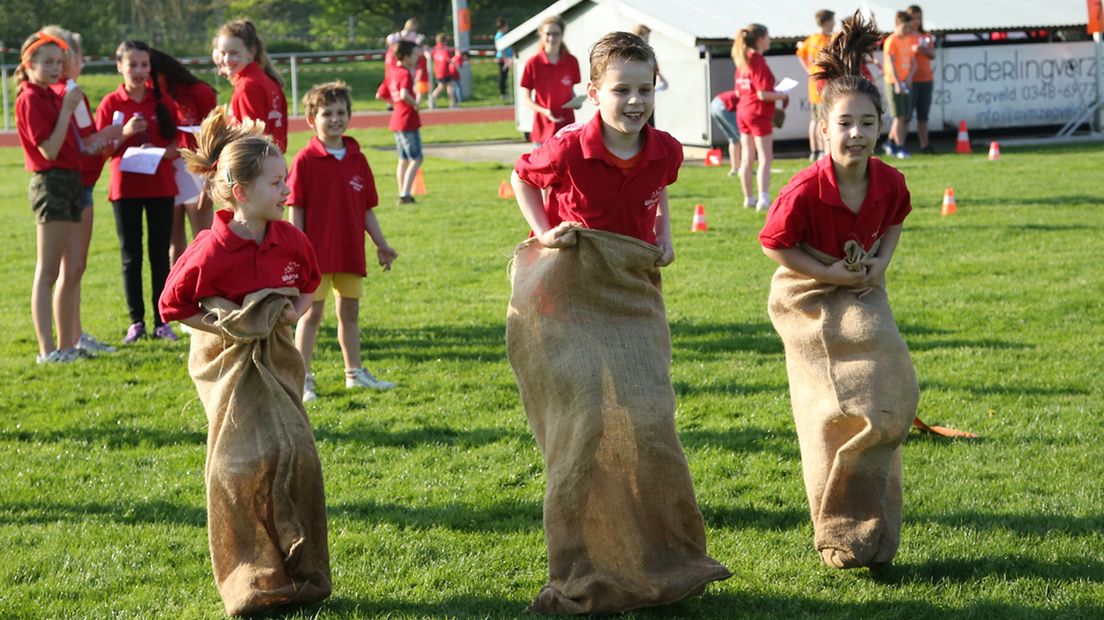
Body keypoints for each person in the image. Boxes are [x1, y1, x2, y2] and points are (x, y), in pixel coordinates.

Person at [508, 31, 731, 614]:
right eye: (621, 90)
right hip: (574, 298)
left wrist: (664, 236)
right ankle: (582, 559)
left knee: (649, 419)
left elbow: (659, 195)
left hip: (633, 295)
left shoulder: (664, 149)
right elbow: (522, 179)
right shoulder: (566, 147)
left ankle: (661, 553)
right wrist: (543, 232)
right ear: (593, 92)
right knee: (586, 426)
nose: (635, 101)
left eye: (644, 88)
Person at [759, 10, 918, 570]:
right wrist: (830, 275)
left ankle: (873, 506)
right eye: (845, 124)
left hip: (861, 284)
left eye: (867, 123)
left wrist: (878, 265)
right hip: (807, 290)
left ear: (881, 127)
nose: (856, 134)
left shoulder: (890, 181)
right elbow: (774, 244)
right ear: (823, 129)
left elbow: (897, 218)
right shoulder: (803, 190)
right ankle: (837, 529)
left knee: (889, 389)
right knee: (827, 410)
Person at [158, 107, 329, 616]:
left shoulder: (291, 239)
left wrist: (282, 316)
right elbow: (172, 306)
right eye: (276, 183)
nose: (286, 191)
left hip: (277, 363)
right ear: (240, 192)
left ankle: (302, 567)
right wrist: (229, 325)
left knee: (293, 454)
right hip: (228, 369)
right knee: (237, 467)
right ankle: (251, 576)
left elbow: (309, 287)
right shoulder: (208, 250)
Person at [288, 81, 399, 402]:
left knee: (349, 314)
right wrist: (297, 251)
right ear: (312, 119)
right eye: (326, 113)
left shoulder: (357, 158)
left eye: (340, 112)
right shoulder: (305, 160)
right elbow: (297, 210)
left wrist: (381, 244)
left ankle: (354, 374)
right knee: (310, 316)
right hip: (315, 256)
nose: (334, 119)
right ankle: (302, 379)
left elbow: (366, 210)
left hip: (350, 254)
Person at [42, 25, 121, 356]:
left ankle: (73, 335)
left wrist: (108, 138)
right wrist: (118, 133)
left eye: (72, 55)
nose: (76, 61)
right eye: (72, 55)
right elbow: (83, 143)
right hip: (72, 185)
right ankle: (65, 342)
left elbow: (85, 142)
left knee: (75, 267)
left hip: (79, 184)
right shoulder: (64, 94)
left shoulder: (73, 93)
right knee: (68, 268)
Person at [95, 40, 180, 343]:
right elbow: (101, 149)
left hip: (160, 186)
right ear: (119, 66)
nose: (139, 70)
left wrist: (157, 150)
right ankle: (137, 321)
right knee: (131, 256)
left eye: (144, 64)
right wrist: (125, 134)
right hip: (125, 189)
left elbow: (178, 146)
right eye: (132, 64)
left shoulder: (162, 101)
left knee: (160, 255)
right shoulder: (110, 103)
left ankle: (162, 321)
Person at [15, 31, 86, 363]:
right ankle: (47, 350)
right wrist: (67, 109)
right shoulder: (30, 98)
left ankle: (68, 345)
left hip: (69, 181)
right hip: (51, 182)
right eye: (47, 62)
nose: (56, 68)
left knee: (70, 269)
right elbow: (50, 148)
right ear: (29, 65)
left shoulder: (51, 94)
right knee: (48, 272)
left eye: (59, 62)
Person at [150, 49, 218, 266]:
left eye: (149, 72)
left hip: (197, 169)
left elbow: (215, 135)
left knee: (204, 237)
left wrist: (210, 176)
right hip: (168, 173)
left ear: (162, 71)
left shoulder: (199, 91)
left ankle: (208, 292)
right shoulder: (152, 94)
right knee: (174, 243)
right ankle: (178, 293)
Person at [734, 24, 789, 211]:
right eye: (768, 36)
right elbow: (763, 94)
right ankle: (764, 199)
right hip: (757, 112)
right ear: (760, 40)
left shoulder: (742, 60)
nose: (770, 40)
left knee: (747, 158)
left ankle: (748, 198)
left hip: (743, 110)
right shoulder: (757, 61)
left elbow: (738, 90)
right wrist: (781, 95)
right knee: (765, 157)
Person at [214, 19, 288, 152]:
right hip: (271, 162)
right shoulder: (268, 80)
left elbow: (253, 141)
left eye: (234, 53)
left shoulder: (247, 86)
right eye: (223, 53)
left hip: (255, 167)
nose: (226, 59)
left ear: (251, 52)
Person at [519, 15, 580, 146]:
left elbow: (571, 92)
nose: (552, 38)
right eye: (548, 34)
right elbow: (526, 99)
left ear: (562, 34)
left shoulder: (571, 61)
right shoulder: (533, 63)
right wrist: (545, 111)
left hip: (567, 128)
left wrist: (576, 102)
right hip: (543, 130)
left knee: (568, 166)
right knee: (543, 167)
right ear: (541, 34)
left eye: (556, 34)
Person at [386, 40, 423, 204]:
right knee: (416, 158)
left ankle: (402, 190)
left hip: (396, 119)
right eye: (415, 54)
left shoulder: (392, 71)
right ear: (406, 56)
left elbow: (381, 94)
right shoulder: (405, 73)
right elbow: (403, 94)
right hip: (407, 119)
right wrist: (416, 103)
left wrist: (395, 104)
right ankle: (405, 194)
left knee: (403, 158)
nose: (417, 57)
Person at [796, 9, 835, 160]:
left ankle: (815, 151)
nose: (834, 24)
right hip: (822, 83)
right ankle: (822, 151)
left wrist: (808, 70)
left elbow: (800, 53)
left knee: (815, 119)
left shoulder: (811, 39)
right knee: (822, 119)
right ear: (826, 22)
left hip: (814, 82)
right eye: (832, 21)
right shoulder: (823, 39)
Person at [882, 11, 915, 159]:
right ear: (897, 25)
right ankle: (900, 146)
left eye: (910, 27)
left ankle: (890, 142)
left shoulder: (908, 40)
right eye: (905, 27)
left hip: (905, 82)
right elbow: (891, 64)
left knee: (905, 116)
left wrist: (908, 77)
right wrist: (897, 82)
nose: (907, 30)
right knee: (899, 116)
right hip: (893, 82)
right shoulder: (891, 41)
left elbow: (912, 62)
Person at [907, 5, 936, 153]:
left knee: (923, 116)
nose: (916, 21)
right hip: (910, 80)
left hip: (926, 78)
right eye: (913, 18)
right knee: (905, 115)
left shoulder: (926, 35)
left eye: (918, 18)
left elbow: (932, 54)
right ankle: (898, 145)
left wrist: (923, 50)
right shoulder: (904, 36)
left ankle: (924, 145)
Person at [630, 24, 669, 127]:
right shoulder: (632, 54)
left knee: (649, 125)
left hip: (647, 94)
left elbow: (656, 70)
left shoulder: (649, 54)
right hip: (639, 94)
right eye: (647, 37)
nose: (648, 41)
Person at [387, 19, 431, 106]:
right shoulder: (401, 35)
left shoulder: (413, 36)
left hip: (407, 63)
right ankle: (400, 101)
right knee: (401, 81)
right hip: (400, 61)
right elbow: (390, 39)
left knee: (409, 81)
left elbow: (421, 43)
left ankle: (407, 99)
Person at [708, 89, 741, 176]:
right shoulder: (753, 96)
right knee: (744, 138)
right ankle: (746, 168)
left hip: (714, 104)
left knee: (733, 139)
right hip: (723, 105)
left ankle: (734, 169)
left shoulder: (746, 91)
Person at [429, 33, 459, 109]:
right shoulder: (445, 48)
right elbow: (448, 59)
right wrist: (455, 59)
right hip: (445, 71)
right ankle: (452, 103)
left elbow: (432, 57)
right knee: (448, 86)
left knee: (442, 86)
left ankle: (432, 99)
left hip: (438, 71)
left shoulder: (435, 49)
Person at [494, 17, 513, 100]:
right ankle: (503, 94)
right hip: (503, 59)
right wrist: (505, 59)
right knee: (503, 76)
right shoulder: (499, 36)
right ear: (503, 26)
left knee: (505, 76)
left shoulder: (502, 35)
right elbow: (501, 49)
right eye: (506, 26)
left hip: (506, 58)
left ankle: (505, 93)